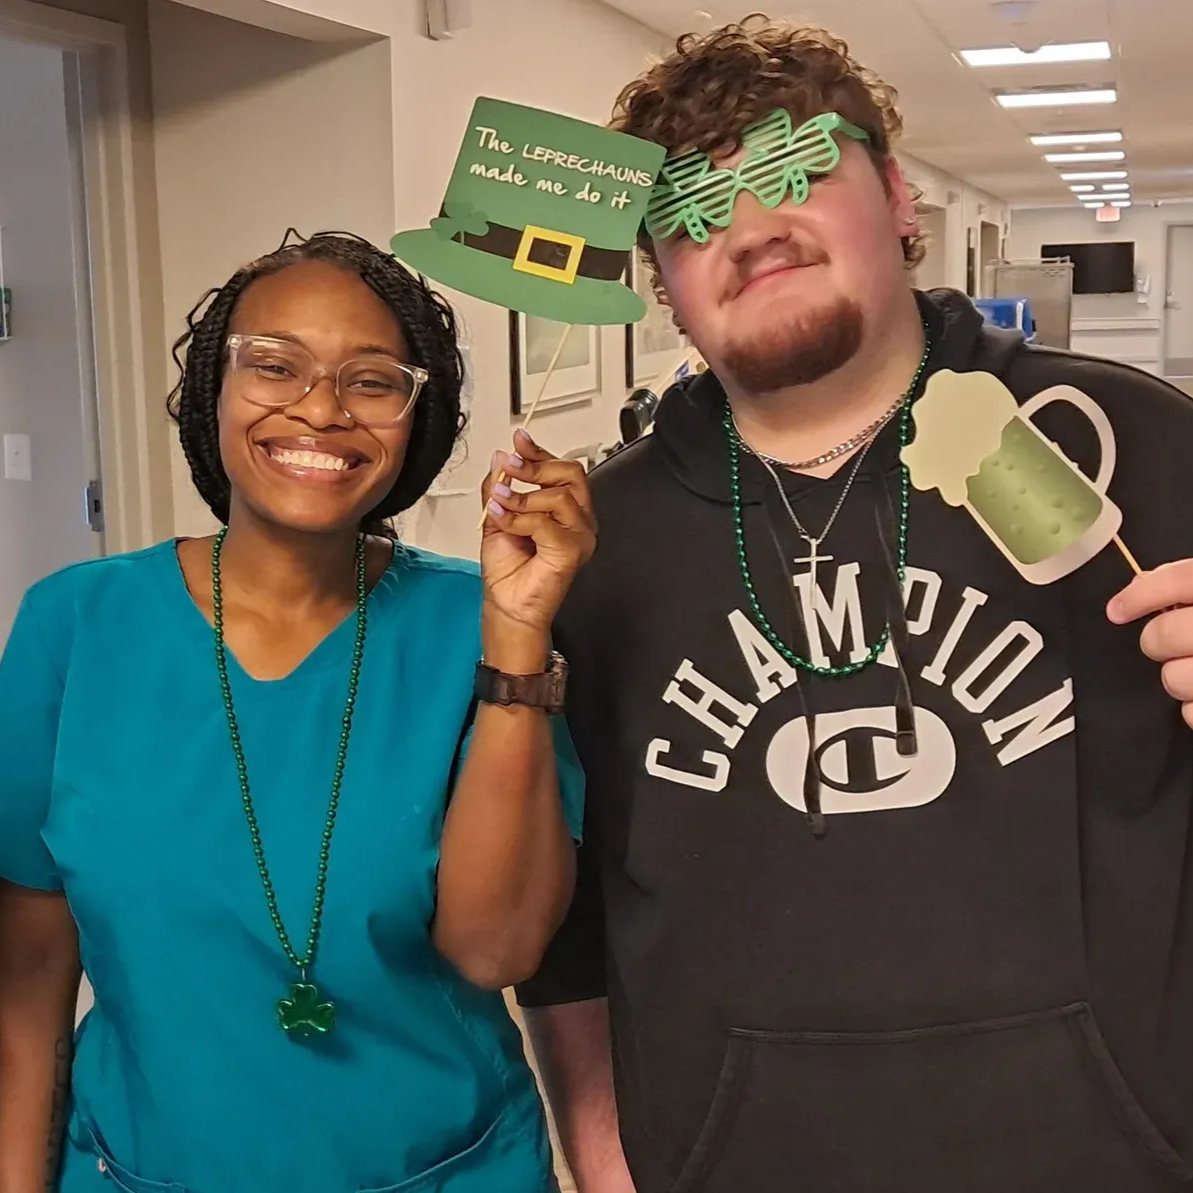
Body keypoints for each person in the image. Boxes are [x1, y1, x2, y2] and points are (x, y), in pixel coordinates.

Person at [517, 17, 1193, 1193]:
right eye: (686, 213)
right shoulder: (594, 546)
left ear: (895, 197)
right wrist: (604, 1151)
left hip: (1111, 1151)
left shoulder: (1135, 443)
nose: (747, 228)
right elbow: (570, 911)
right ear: (662, 287)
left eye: (790, 172)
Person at [0, 230, 595, 1193]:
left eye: (371, 380)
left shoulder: (473, 626)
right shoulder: (74, 626)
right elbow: (24, 987)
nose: (319, 409)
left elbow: (497, 948)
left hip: (443, 1173)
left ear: (416, 418)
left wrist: (518, 638)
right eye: (274, 366)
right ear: (213, 393)